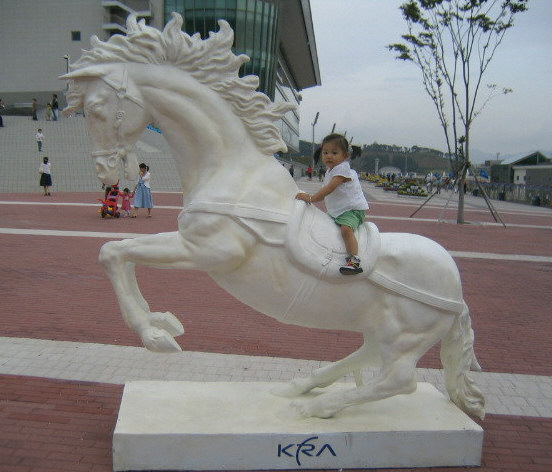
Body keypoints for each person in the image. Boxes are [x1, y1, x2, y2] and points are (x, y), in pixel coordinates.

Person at [296, 133, 369, 275]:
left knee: (346, 230)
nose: (329, 156)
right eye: (325, 153)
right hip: (338, 211)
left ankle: (354, 261)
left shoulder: (342, 169)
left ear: (345, 156)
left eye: (334, 153)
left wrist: (311, 198)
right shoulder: (331, 170)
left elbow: (330, 188)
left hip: (352, 210)